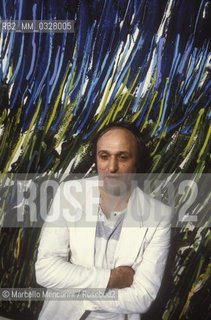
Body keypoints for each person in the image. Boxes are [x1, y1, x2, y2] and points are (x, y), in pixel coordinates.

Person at [35, 122, 172, 320]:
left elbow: (142, 297)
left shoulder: (159, 216)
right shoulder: (69, 194)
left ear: (137, 162)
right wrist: (113, 278)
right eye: (104, 156)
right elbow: (45, 271)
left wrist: (76, 290)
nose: (112, 167)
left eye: (123, 157)